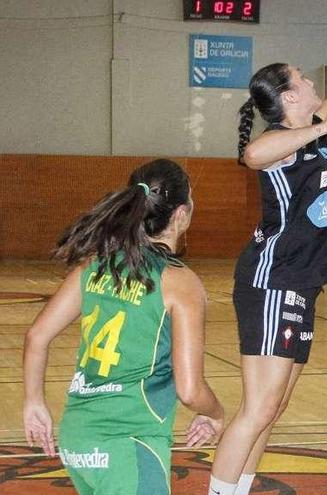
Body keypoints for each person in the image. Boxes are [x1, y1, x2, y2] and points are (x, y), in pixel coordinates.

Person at [209, 4, 327, 494]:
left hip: (303, 279)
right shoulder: (283, 141)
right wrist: (319, 128)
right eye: (306, 80)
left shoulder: (315, 123)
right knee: (259, 407)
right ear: (290, 96)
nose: (314, 84)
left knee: (276, 406)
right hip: (272, 278)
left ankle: (240, 487)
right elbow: (251, 156)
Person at [23, 159, 224, 495]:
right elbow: (189, 390)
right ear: (180, 215)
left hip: (78, 440)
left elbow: (36, 336)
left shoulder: (95, 267)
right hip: (128, 445)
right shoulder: (179, 282)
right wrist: (216, 413)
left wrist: (33, 402)